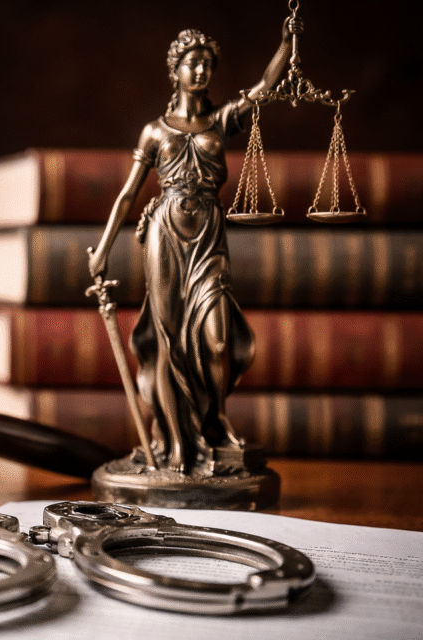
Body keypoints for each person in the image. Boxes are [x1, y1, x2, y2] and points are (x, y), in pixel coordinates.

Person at [87, 19, 300, 474]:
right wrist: (103, 249)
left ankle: (215, 424)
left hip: (208, 235)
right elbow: (128, 193)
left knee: (219, 340)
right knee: (167, 341)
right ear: (175, 70)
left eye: (207, 64)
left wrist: (285, 42)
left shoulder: (221, 120)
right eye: (192, 63)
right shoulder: (155, 131)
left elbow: (264, 87)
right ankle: (176, 445)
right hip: (165, 235)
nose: (201, 70)